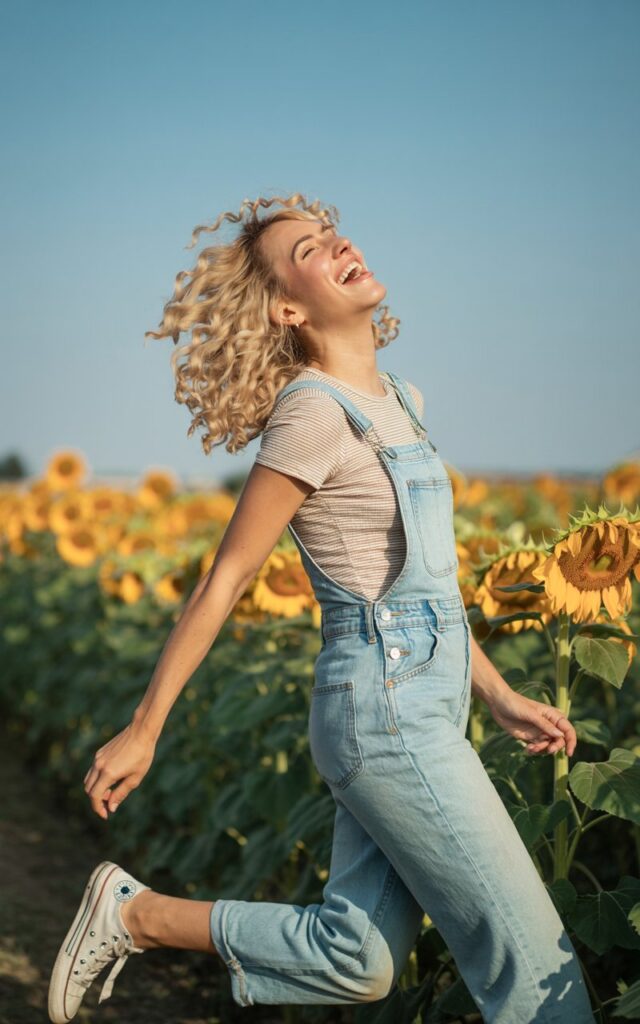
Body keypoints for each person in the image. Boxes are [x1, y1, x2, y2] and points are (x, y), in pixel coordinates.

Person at [48, 193, 596, 1024]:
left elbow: (427, 582)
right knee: (535, 972)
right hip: (382, 710)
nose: (336, 241)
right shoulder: (312, 412)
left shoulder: (404, 398)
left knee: (358, 960)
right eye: (306, 248)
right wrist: (146, 725)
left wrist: (497, 692)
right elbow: (225, 579)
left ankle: (135, 914)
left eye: (332, 232)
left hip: (428, 697)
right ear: (287, 307)